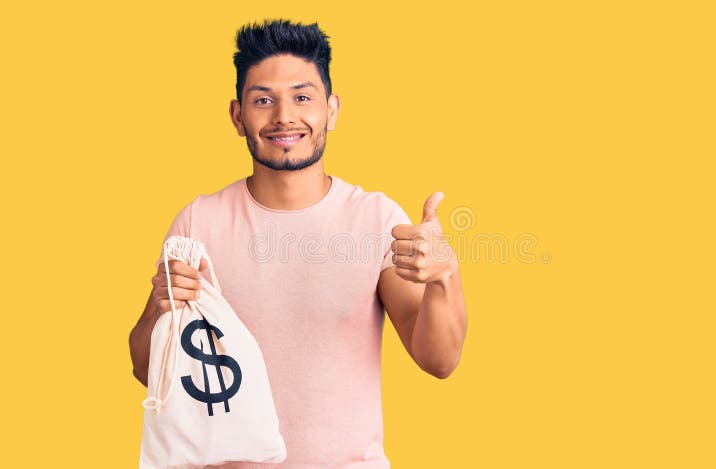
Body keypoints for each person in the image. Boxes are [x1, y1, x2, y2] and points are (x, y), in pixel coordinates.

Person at [128, 19, 468, 468]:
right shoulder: (198, 222)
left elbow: (439, 361)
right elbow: (145, 370)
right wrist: (159, 305)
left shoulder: (376, 219)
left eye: (302, 97)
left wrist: (445, 276)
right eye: (263, 100)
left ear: (331, 109)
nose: (284, 116)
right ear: (237, 115)